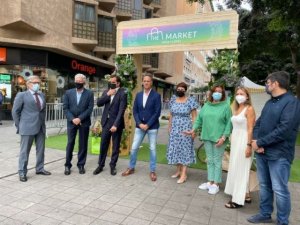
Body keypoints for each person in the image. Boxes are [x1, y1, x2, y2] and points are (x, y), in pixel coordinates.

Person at [247, 71, 300, 225]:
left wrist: (261, 142)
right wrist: (256, 141)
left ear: (276, 83)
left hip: (279, 154)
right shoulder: (270, 102)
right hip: (263, 151)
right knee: (265, 185)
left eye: (268, 83)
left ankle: (283, 221)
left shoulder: (292, 103)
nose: (266, 85)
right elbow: (259, 123)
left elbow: (284, 130)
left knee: (280, 189)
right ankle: (265, 213)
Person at [191, 85, 232, 194]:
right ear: (212, 93)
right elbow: (199, 119)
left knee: (217, 161)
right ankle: (210, 181)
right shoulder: (206, 105)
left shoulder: (226, 106)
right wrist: (193, 129)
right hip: (207, 137)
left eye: (220, 92)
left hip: (219, 138)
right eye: (215, 91)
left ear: (222, 94)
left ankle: (216, 184)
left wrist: (224, 137)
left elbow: (229, 123)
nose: (217, 93)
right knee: (210, 160)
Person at [121, 74, 161, 181]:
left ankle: (152, 171)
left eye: (148, 81)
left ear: (151, 82)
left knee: (152, 149)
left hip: (152, 127)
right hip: (140, 126)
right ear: (142, 82)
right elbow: (135, 111)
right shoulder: (138, 95)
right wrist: (139, 124)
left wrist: (148, 125)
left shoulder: (156, 96)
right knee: (134, 148)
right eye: (144, 81)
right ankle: (131, 168)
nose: (146, 82)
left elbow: (157, 112)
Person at [12, 75, 51, 182]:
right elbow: (15, 112)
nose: (37, 84)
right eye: (35, 82)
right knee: (24, 151)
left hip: (40, 127)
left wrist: (43, 125)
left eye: (39, 83)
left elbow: (42, 112)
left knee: (41, 150)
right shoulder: (22, 95)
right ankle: (22, 172)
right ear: (28, 84)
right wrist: (19, 126)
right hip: (27, 127)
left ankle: (40, 168)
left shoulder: (42, 95)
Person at [224, 87, 256, 208]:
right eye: (237, 94)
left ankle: (237, 200)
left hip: (244, 141)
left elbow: (250, 128)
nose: (239, 96)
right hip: (235, 140)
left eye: (241, 94)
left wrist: (248, 146)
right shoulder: (237, 108)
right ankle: (246, 194)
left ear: (247, 96)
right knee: (236, 167)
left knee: (241, 169)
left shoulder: (249, 109)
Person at [93, 75, 127, 176]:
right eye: (110, 82)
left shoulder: (122, 93)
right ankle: (100, 165)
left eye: (113, 82)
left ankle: (113, 165)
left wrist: (116, 124)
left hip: (116, 124)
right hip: (106, 122)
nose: (111, 83)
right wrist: (108, 94)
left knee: (115, 146)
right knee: (103, 144)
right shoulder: (106, 91)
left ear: (118, 83)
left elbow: (121, 110)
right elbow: (99, 103)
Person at [167, 82, 198, 184]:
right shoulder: (173, 100)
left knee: (185, 150)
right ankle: (178, 171)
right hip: (175, 129)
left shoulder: (190, 101)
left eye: (182, 89)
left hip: (186, 129)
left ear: (185, 90)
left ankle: (184, 174)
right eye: (178, 89)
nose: (180, 91)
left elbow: (194, 116)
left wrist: (194, 130)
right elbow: (171, 114)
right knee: (176, 149)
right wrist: (169, 126)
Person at [63, 73, 94, 175]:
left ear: (84, 82)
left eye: (80, 81)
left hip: (84, 122)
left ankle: (81, 165)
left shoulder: (89, 93)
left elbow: (90, 108)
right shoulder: (68, 93)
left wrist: (80, 118)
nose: (78, 83)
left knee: (83, 144)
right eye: (76, 81)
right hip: (71, 122)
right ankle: (67, 165)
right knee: (70, 143)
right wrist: (73, 119)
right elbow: (65, 108)